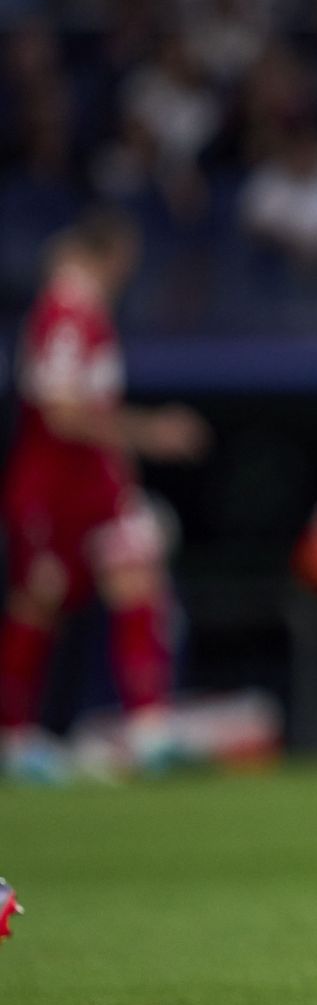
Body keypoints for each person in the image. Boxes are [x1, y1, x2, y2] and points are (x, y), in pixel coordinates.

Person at [0, 212, 208, 784]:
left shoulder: (87, 312)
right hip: (52, 489)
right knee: (38, 602)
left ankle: (150, 732)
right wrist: (150, 432)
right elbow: (62, 413)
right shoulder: (66, 312)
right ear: (113, 254)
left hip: (98, 486)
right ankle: (14, 738)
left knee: (137, 580)